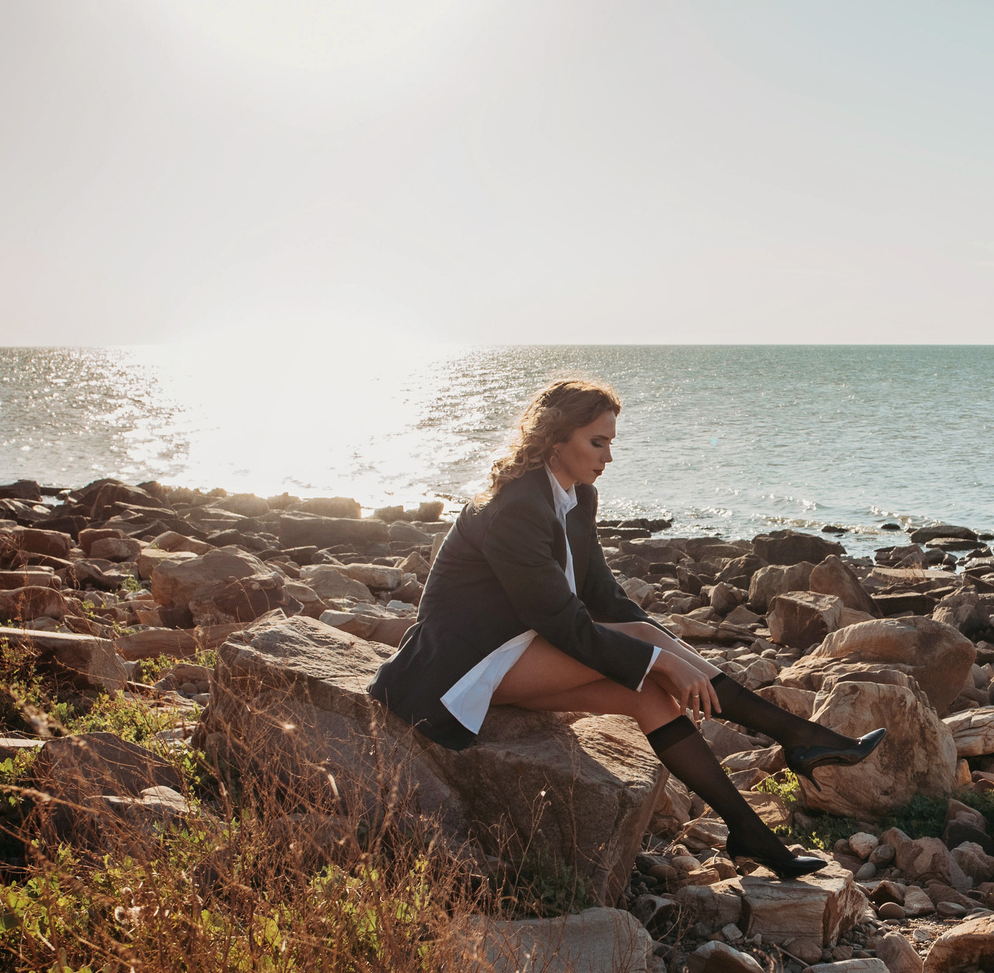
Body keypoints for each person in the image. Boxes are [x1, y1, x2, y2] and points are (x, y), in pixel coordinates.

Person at [368, 377, 884, 880]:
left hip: (522, 646)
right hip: (463, 667)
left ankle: (749, 829)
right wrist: (661, 659)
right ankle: (800, 738)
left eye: (610, 443)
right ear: (554, 437)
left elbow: (604, 599)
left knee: (648, 695)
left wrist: (668, 652)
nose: (608, 458)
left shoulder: (575, 498)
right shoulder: (516, 508)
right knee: (645, 655)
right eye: (597, 442)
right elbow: (563, 623)